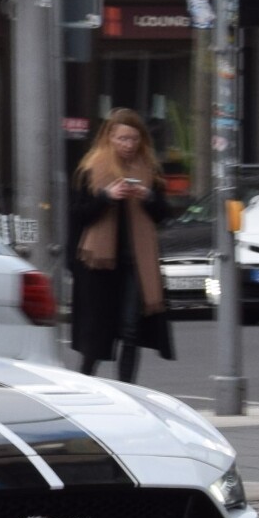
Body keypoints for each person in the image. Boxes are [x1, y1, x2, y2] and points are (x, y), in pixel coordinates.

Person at [68, 107, 176, 382]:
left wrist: (147, 196)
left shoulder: (149, 170)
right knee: (97, 333)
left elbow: (163, 214)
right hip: (99, 267)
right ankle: (85, 384)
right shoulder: (91, 169)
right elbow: (79, 215)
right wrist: (106, 196)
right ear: (109, 138)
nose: (128, 145)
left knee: (131, 330)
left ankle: (128, 390)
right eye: (122, 139)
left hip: (135, 264)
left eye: (134, 139)